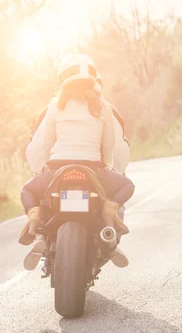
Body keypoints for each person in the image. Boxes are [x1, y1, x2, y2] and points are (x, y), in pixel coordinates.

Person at [19, 54, 135, 271]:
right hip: (93, 168)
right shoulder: (103, 106)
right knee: (127, 185)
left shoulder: (55, 105)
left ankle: (37, 225)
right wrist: (104, 166)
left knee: (28, 190)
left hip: (56, 168)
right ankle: (109, 220)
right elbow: (110, 144)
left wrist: (46, 168)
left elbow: (45, 143)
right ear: (94, 80)